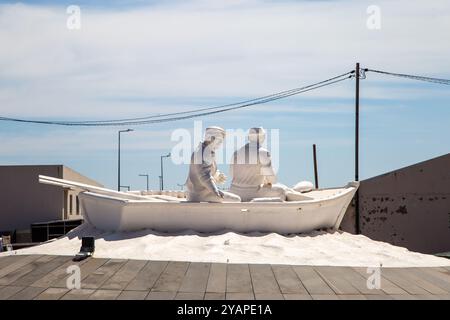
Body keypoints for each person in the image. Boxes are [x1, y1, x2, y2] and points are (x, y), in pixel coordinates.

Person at [229, 127, 310, 202]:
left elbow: (232, 175)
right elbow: (272, 180)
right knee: (281, 191)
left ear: (249, 137)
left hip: (234, 191)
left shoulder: (236, 153)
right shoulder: (262, 152)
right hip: (252, 192)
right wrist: (267, 182)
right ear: (262, 138)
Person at [185, 126, 241, 203]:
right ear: (212, 138)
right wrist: (215, 191)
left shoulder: (205, 151)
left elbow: (206, 171)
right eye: (220, 141)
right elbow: (204, 177)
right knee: (237, 199)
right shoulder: (204, 153)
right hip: (199, 194)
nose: (220, 144)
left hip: (198, 192)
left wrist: (217, 175)